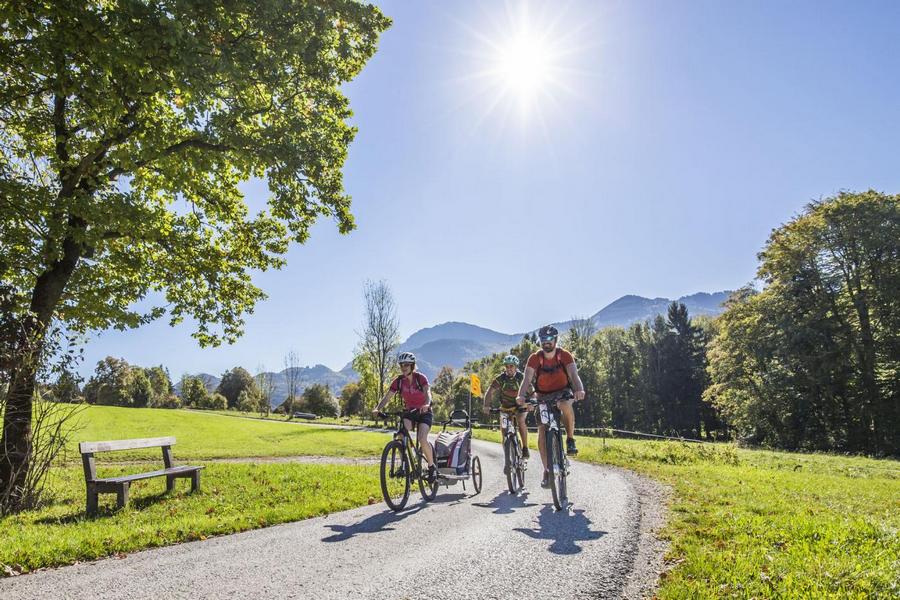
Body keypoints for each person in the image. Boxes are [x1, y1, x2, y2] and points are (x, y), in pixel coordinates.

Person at [516, 325, 585, 488]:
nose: (546, 343)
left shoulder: (564, 355)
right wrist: (521, 395)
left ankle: (570, 439)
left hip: (562, 392)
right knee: (542, 430)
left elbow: (574, 375)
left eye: (550, 340)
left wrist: (579, 389)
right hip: (542, 396)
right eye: (543, 340)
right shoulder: (535, 358)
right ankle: (547, 470)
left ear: (555, 340)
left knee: (565, 404)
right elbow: (526, 380)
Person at [373, 352, 437, 481]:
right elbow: (387, 397)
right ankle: (405, 463)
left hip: (424, 412)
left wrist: (427, 403)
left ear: (412, 365)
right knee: (401, 434)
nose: (403, 367)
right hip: (410, 413)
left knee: (422, 438)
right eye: (401, 365)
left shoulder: (420, 378)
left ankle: (431, 468)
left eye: (406, 364)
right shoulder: (399, 381)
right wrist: (377, 408)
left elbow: (428, 393)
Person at [482, 355, 531, 459]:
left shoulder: (521, 377)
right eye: (507, 366)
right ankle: (508, 459)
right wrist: (486, 405)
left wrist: (531, 403)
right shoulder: (501, 379)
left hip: (520, 406)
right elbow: (489, 392)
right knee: (504, 431)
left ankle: (525, 448)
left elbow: (531, 391)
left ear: (516, 367)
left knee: (521, 420)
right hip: (505, 407)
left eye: (511, 366)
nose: (509, 369)